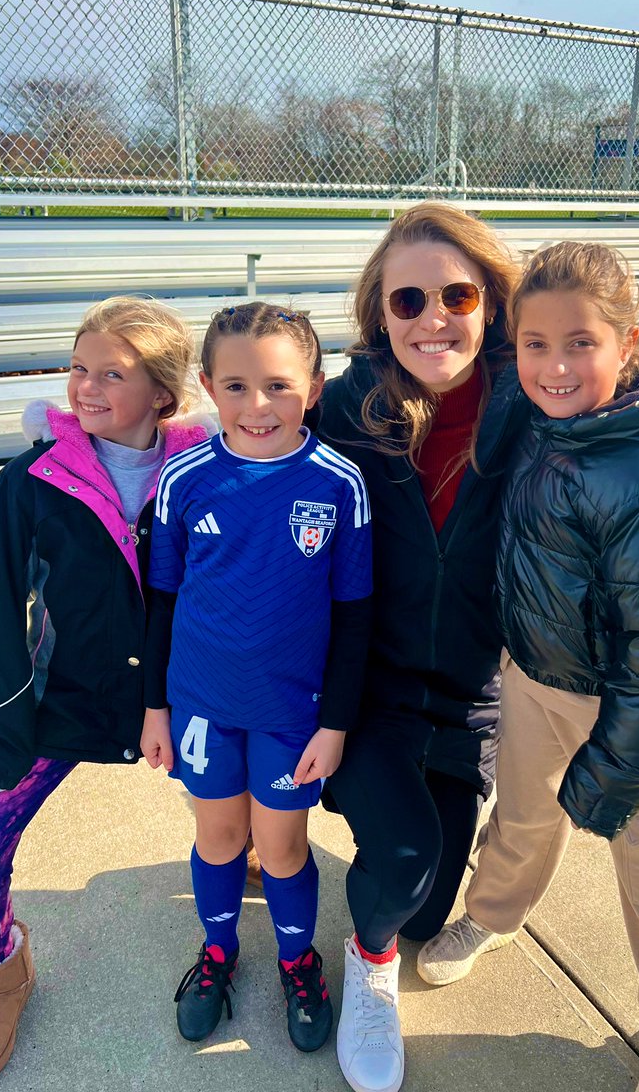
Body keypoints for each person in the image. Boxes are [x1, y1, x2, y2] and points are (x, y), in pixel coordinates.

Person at [417, 241, 639, 1092]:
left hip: (629, 711)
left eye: (580, 344)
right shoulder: (539, 420)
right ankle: (492, 915)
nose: (555, 365)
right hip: (532, 678)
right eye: (535, 344)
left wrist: (613, 770)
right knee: (520, 819)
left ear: (627, 345)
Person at [0, 297, 206, 1090]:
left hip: (180, 698)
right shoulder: (31, 481)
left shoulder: (209, 470)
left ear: (163, 392)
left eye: (111, 374)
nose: (85, 388)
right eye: (78, 368)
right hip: (62, 704)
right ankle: (0, 976)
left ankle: (244, 849)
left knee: (236, 815)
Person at [315, 203, 529, 1092]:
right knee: (401, 863)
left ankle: (381, 889)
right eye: (408, 299)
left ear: (491, 301)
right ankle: (366, 978)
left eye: (457, 292)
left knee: (429, 907)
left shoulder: (533, 399)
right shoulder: (351, 406)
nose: (433, 316)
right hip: (373, 686)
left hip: (473, 693)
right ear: (380, 314)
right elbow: (254, 454)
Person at [140, 302, 372, 1054]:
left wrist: (334, 723)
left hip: (291, 715)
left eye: (278, 384)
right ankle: (218, 952)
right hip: (204, 707)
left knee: (279, 850)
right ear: (207, 386)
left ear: (314, 384)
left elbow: (355, 615)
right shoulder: (185, 477)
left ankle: (298, 961)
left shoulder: (339, 483)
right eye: (235, 386)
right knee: (219, 837)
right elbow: (164, 602)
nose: (257, 405)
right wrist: (156, 709)